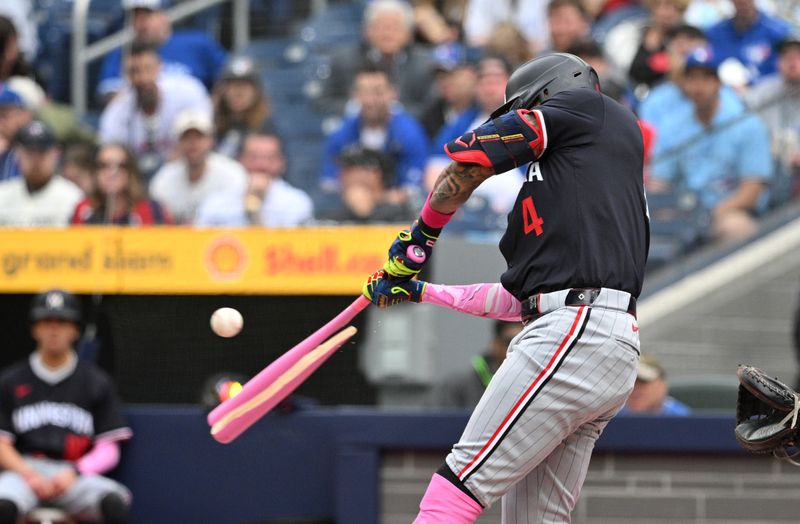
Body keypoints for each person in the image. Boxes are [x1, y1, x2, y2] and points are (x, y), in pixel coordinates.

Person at [363, 52, 648, 522]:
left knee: (455, 488)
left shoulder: (593, 109)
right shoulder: (559, 195)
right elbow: (519, 301)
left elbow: (467, 163)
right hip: (596, 339)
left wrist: (419, 240)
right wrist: (420, 292)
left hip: (576, 330)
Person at [0, 288, 132, 523]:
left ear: (75, 329)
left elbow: (109, 448)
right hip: (24, 472)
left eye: (62, 321)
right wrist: (29, 475)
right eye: (46, 321)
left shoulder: (96, 381)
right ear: (35, 328)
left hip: (74, 473)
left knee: (114, 501)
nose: (54, 329)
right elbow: (2, 444)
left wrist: (75, 472)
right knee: (3, 503)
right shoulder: (11, 380)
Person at [648, 46, 773, 242]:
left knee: (737, 227)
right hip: (685, 214)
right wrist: (670, 214)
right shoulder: (672, 126)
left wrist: (709, 217)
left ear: (717, 83)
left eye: (705, 78)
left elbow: (751, 191)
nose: (698, 86)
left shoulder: (745, 122)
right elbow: (659, 183)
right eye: (692, 78)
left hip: (727, 211)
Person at [98, 40, 212, 181]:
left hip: (184, 172)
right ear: (125, 76)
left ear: (159, 68)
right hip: (138, 180)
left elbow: (205, 137)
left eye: (148, 69)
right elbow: (110, 155)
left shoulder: (188, 91)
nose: (143, 78)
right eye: (134, 71)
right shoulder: (117, 112)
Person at [320, 67, 429, 200]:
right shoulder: (342, 133)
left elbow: (414, 187)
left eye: (378, 92)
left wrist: (377, 199)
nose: (371, 100)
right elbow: (329, 184)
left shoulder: (409, 132)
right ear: (354, 96)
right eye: (364, 92)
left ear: (393, 93)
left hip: (397, 210)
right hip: (351, 206)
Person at [316, 0, 435, 117]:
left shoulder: (425, 63)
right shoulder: (344, 60)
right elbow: (322, 102)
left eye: (395, 27)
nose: (387, 34)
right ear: (366, 32)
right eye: (381, 27)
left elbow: (432, 107)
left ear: (409, 34)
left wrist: (392, 110)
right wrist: (357, 107)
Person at [96, 0, 227, 102]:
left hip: (192, 126)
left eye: (147, 16)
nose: (141, 24)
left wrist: (212, 105)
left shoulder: (197, 42)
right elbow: (110, 94)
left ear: (164, 14)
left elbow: (228, 77)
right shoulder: (123, 52)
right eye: (135, 16)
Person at [194, 128, 312, 227]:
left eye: (269, 158)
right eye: (253, 157)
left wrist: (254, 209)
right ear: (241, 160)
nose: (260, 165)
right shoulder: (217, 203)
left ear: (281, 162)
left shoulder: (297, 203)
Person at [150, 109, 247, 223]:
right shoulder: (163, 181)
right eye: (186, 137)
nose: (193, 143)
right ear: (177, 143)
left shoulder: (232, 175)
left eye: (199, 137)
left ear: (211, 140)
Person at [745, 34, 800, 204]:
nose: (792, 61)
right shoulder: (764, 92)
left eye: (797, 55)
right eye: (786, 56)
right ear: (778, 62)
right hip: (770, 168)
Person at [0, 120, 82, 226]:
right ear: (17, 154)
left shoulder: (72, 198)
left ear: (56, 154)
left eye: (41, 152)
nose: (35, 159)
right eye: (29, 152)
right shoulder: (2, 195)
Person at [72, 143, 172, 225]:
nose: (112, 173)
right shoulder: (83, 210)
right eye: (104, 165)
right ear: (95, 172)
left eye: (121, 166)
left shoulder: (152, 210)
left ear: (130, 172)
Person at [432, 321, 524, 409]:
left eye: (525, 343)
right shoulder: (456, 387)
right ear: (495, 344)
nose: (520, 349)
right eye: (510, 342)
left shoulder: (534, 387)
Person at [315, 145, 413, 223]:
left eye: (349, 169)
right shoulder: (333, 209)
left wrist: (366, 212)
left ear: (375, 174)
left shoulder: (400, 210)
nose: (341, 175)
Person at [704, 0, 789, 87]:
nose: (742, 1)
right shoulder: (714, 33)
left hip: (769, 93)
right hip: (723, 94)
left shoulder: (778, 31)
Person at [212, 55, 273, 159]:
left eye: (244, 86)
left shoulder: (266, 128)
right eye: (233, 85)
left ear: (256, 92)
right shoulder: (213, 124)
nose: (238, 92)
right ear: (223, 90)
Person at [618, 353, 692, 415]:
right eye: (630, 381)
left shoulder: (681, 418)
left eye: (643, 381)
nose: (634, 387)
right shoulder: (611, 416)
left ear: (662, 385)